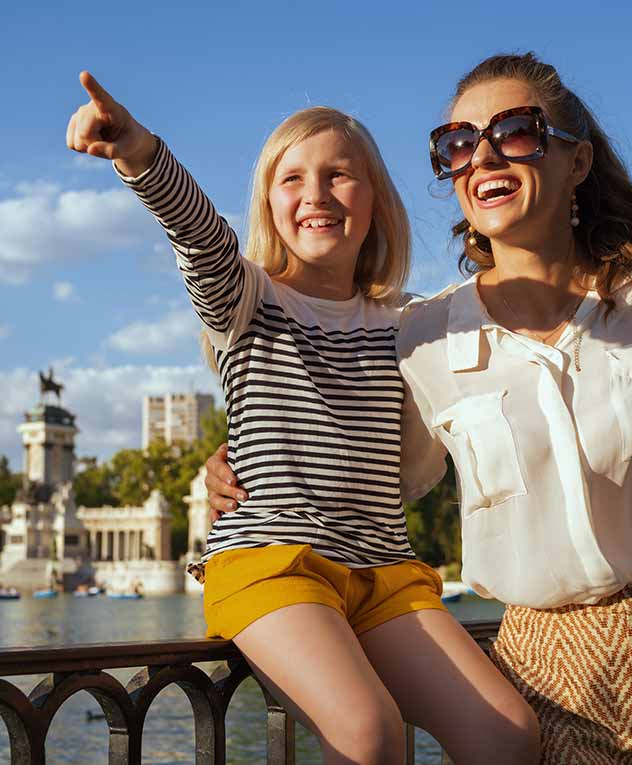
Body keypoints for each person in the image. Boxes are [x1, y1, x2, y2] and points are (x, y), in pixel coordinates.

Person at [205, 52, 632, 764]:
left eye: (516, 130)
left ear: (576, 161)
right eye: (458, 142)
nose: (482, 153)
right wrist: (235, 462)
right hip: (546, 675)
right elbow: (372, 465)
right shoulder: (424, 335)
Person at [66, 71, 538, 765]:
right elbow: (198, 236)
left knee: (508, 734)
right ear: (267, 203)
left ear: (375, 200)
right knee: (369, 730)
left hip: (384, 569)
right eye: (292, 179)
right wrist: (139, 151)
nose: (315, 194)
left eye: (339, 175)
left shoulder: (412, 324)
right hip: (273, 562)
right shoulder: (247, 299)